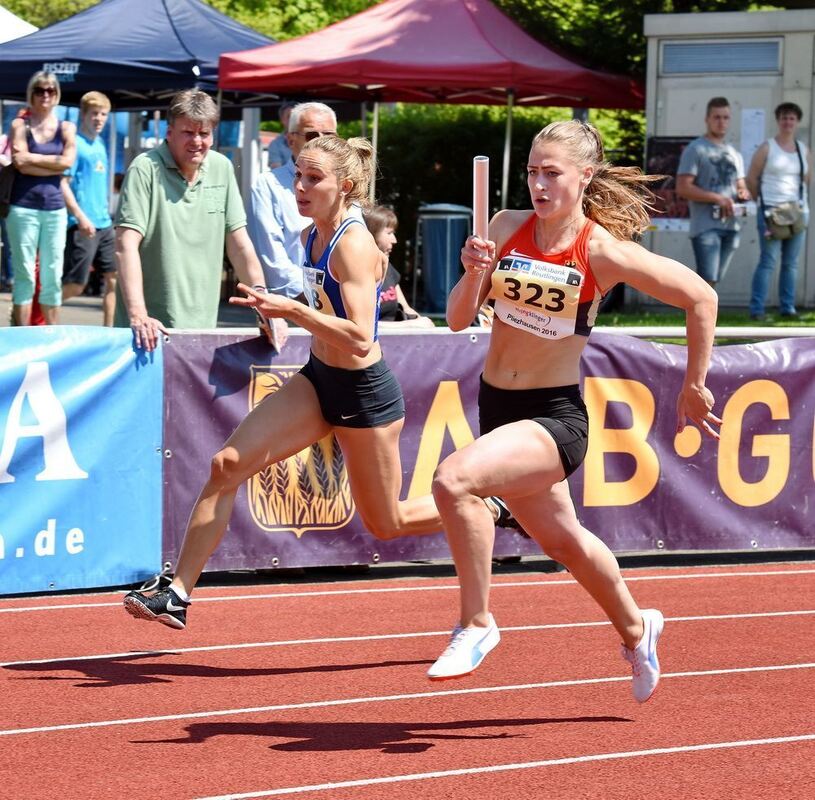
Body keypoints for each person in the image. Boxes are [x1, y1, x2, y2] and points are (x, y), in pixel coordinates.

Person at [427, 120, 721, 703]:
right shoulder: (506, 227)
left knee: (453, 480)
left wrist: (694, 383)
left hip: (553, 417)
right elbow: (459, 320)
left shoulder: (602, 252)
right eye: (532, 171)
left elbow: (702, 297)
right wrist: (473, 272)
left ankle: (477, 623)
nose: (538, 183)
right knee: (563, 542)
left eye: (551, 173)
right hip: (498, 408)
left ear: (584, 176)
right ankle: (639, 630)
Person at [114, 89, 272, 347]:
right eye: (188, 132)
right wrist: (138, 315)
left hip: (202, 328)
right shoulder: (145, 168)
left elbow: (239, 244)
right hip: (148, 333)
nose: (197, 141)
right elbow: (125, 245)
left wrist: (265, 304)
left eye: (204, 133)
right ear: (169, 132)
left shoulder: (221, 167)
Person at [246, 101, 338, 302]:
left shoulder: (346, 185)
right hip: (294, 304)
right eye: (312, 135)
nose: (321, 143)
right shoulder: (268, 185)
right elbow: (271, 257)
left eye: (329, 136)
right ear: (290, 140)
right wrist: (315, 297)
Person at [5, 72, 76, 325]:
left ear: (57, 95)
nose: (45, 95)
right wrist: (54, 164)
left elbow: (68, 162)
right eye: (39, 90)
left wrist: (33, 159)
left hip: (55, 209)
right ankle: (21, 336)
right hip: (22, 206)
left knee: (52, 275)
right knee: (25, 274)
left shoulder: (67, 127)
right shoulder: (19, 125)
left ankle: (51, 336)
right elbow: (20, 164)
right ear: (31, 93)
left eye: (50, 90)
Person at [676, 97, 751, 289]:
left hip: (731, 224)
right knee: (705, 281)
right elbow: (683, 187)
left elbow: (741, 185)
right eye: (717, 117)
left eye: (726, 117)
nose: (721, 122)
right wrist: (718, 198)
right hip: (705, 226)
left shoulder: (734, 153)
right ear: (707, 119)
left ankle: (703, 317)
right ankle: (698, 318)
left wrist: (744, 193)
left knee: (713, 280)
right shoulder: (696, 149)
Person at [746, 102, 811, 321]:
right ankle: (757, 309)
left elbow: (807, 179)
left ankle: (788, 308)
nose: (788, 122)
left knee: (791, 263)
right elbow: (751, 179)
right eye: (784, 117)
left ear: (797, 122)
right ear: (778, 120)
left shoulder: (803, 150)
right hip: (771, 214)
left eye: (792, 118)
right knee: (768, 261)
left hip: (797, 213)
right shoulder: (767, 148)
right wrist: (762, 204)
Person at [61, 91, 117, 326]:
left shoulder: (101, 143)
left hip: (104, 224)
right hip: (82, 224)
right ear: (83, 114)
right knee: (76, 285)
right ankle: (39, 314)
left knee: (114, 279)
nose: (99, 118)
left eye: (103, 114)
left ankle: (110, 335)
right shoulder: (76, 144)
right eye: (94, 113)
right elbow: (62, 183)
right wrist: (80, 217)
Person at [363, 204, 435, 328]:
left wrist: (423, 322)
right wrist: (409, 326)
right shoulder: (357, 273)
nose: (394, 240)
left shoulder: (389, 269)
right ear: (372, 234)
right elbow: (364, 327)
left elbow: (406, 309)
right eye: (389, 233)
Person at [266, 101, 295, 170]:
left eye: (295, 116)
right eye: (289, 116)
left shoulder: (311, 139)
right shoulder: (275, 144)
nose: (293, 120)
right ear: (282, 120)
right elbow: (277, 171)